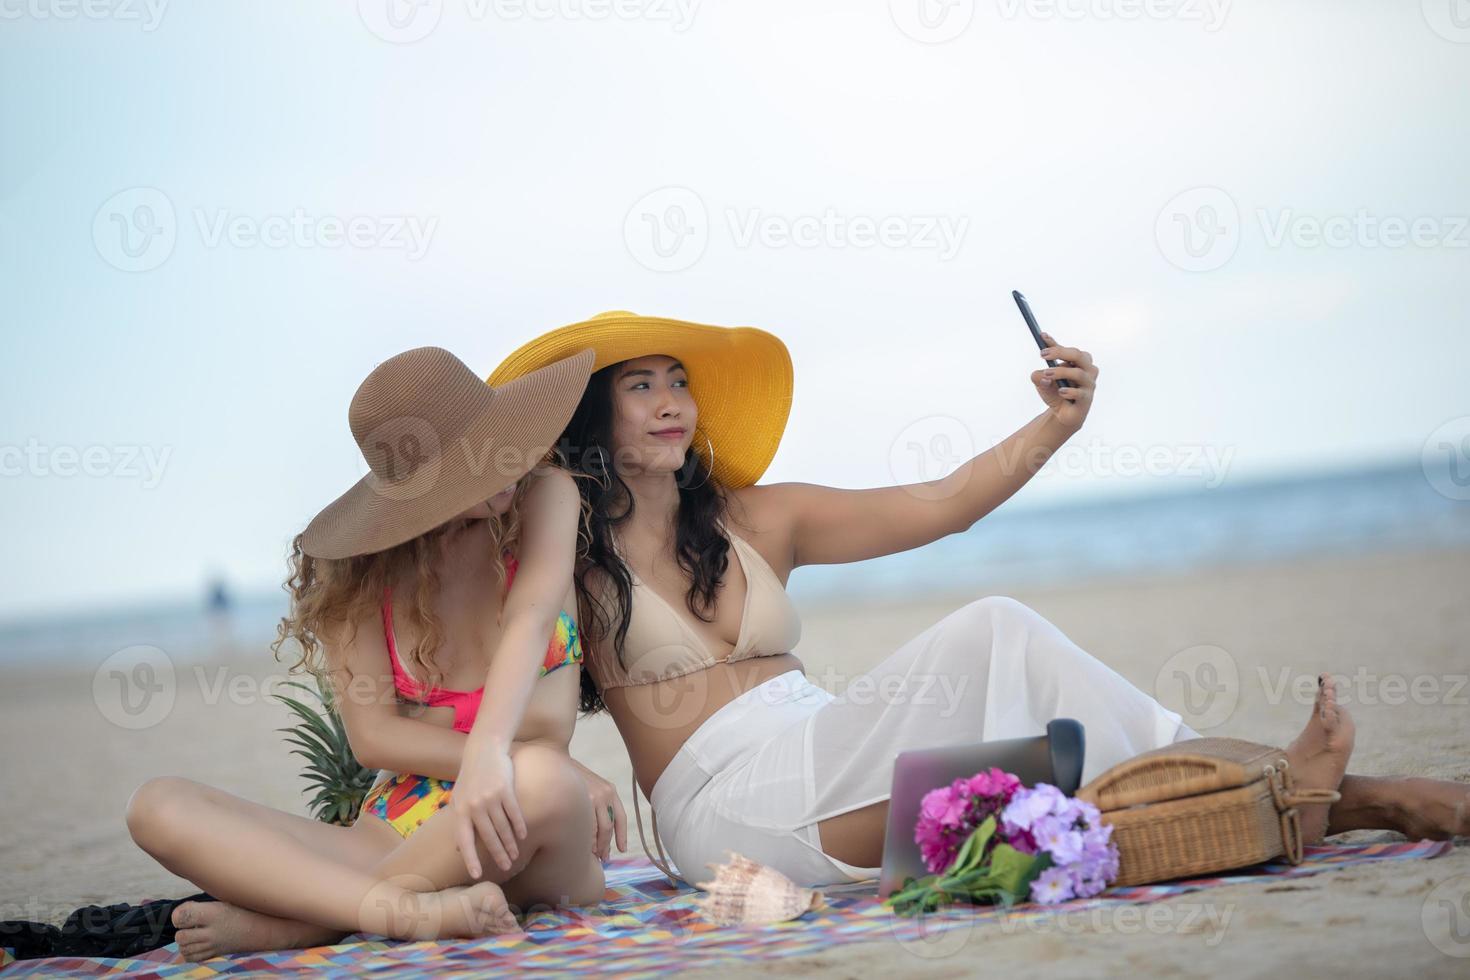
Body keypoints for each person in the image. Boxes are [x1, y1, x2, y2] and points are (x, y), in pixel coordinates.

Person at [486, 310, 1470, 888]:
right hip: (730, 813)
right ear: (590, 414)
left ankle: (1364, 797)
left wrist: (1055, 426)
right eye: (641, 386)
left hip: (830, 755)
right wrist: (555, 767)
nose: (671, 402)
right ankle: (1331, 786)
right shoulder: (565, 537)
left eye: (680, 383)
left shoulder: (760, 516)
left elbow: (944, 503)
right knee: (998, 632)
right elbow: (519, 635)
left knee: (1073, 786)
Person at [125, 345, 629, 962]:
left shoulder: (546, 494)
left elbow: (531, 615)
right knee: (157, 805)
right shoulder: (363, 572)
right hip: (394, 835)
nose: (506, 462)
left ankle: (314, 924)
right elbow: (374, 738)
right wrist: (483, 758)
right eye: (472, 465)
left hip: (529, 831)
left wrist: (494, 755)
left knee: (547, 780)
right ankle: (401, 908)